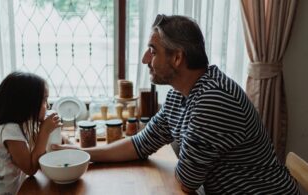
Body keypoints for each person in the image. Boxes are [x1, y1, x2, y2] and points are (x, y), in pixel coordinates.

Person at [53, 14, 300, 194]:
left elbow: (187, 181)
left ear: (178, 57)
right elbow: (140, 144)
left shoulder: (213, 99)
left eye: (153, 50)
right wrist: (82, 154)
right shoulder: (179, 94)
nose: (144, 59)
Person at [0, 72, 62, 195]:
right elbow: (30, 169)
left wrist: (46, 133)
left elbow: (37, 158)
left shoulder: (17, 126)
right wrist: (44, 132)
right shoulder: (9, 130)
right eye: (44, 100)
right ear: (26, 103)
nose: (48, 105)